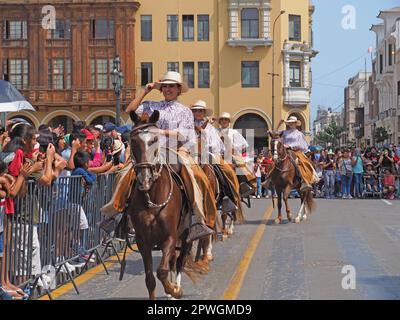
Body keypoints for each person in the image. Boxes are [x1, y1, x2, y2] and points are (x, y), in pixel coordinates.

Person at [124, 71, 214, 242]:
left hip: (175, 150)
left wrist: (161, 131)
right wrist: (146, 91)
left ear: (179, 89)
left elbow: (185, 135)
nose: (168, 89)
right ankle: (117, 216)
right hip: (150, 151)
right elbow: (129, 110)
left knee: (196, 176)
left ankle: (197, 220)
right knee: (125, 173)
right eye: (165, 86)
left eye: (172, 86)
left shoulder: (185, 111)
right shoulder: (151, 105)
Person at [276, 116, 318, 192]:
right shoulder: (285, 132)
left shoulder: (299, 134)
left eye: (292, 123)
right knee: (275, 161)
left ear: (295, 124)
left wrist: (289, 146)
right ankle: (270, 180)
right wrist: (279, 124)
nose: (290, 124)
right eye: (289, 123)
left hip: (295, 151)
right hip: (284, 151)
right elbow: (275, 134)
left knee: (302, 163)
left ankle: (304, 181)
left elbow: (300, 144)